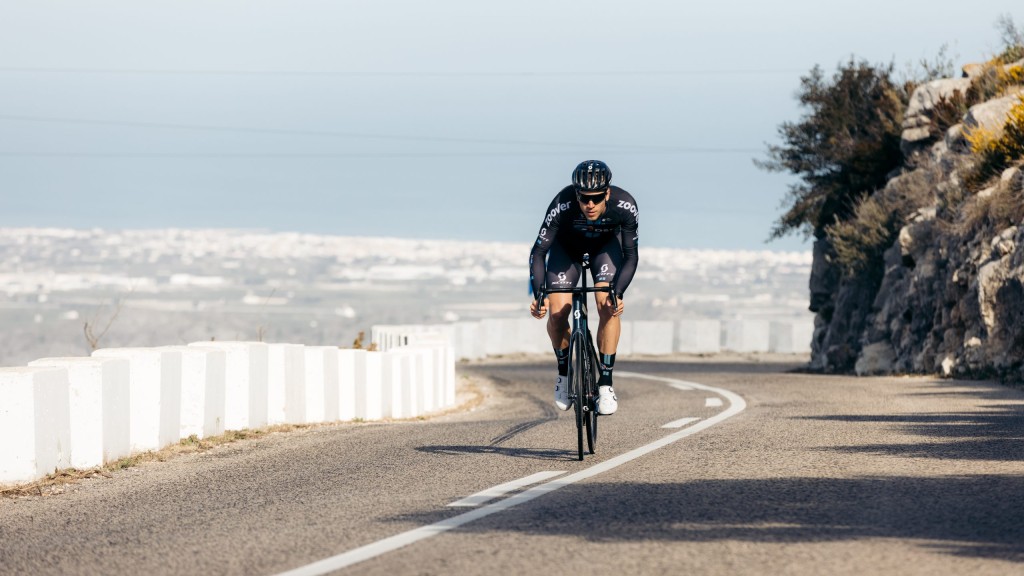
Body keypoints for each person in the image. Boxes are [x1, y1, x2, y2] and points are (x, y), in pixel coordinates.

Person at [529, 160, 639, 415]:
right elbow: (539, 252)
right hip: (567, 251)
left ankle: (606, 383)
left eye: (597, 198)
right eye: (584, 198)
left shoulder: (625, 205)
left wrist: (618, 293)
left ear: (607, 194)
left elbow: (631, 255)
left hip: (605, 250)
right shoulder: (561, 204)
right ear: (576, 194)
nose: (590, 204)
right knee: (557, 313)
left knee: (607, 305)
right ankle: (564, 374)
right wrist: (539, 295)